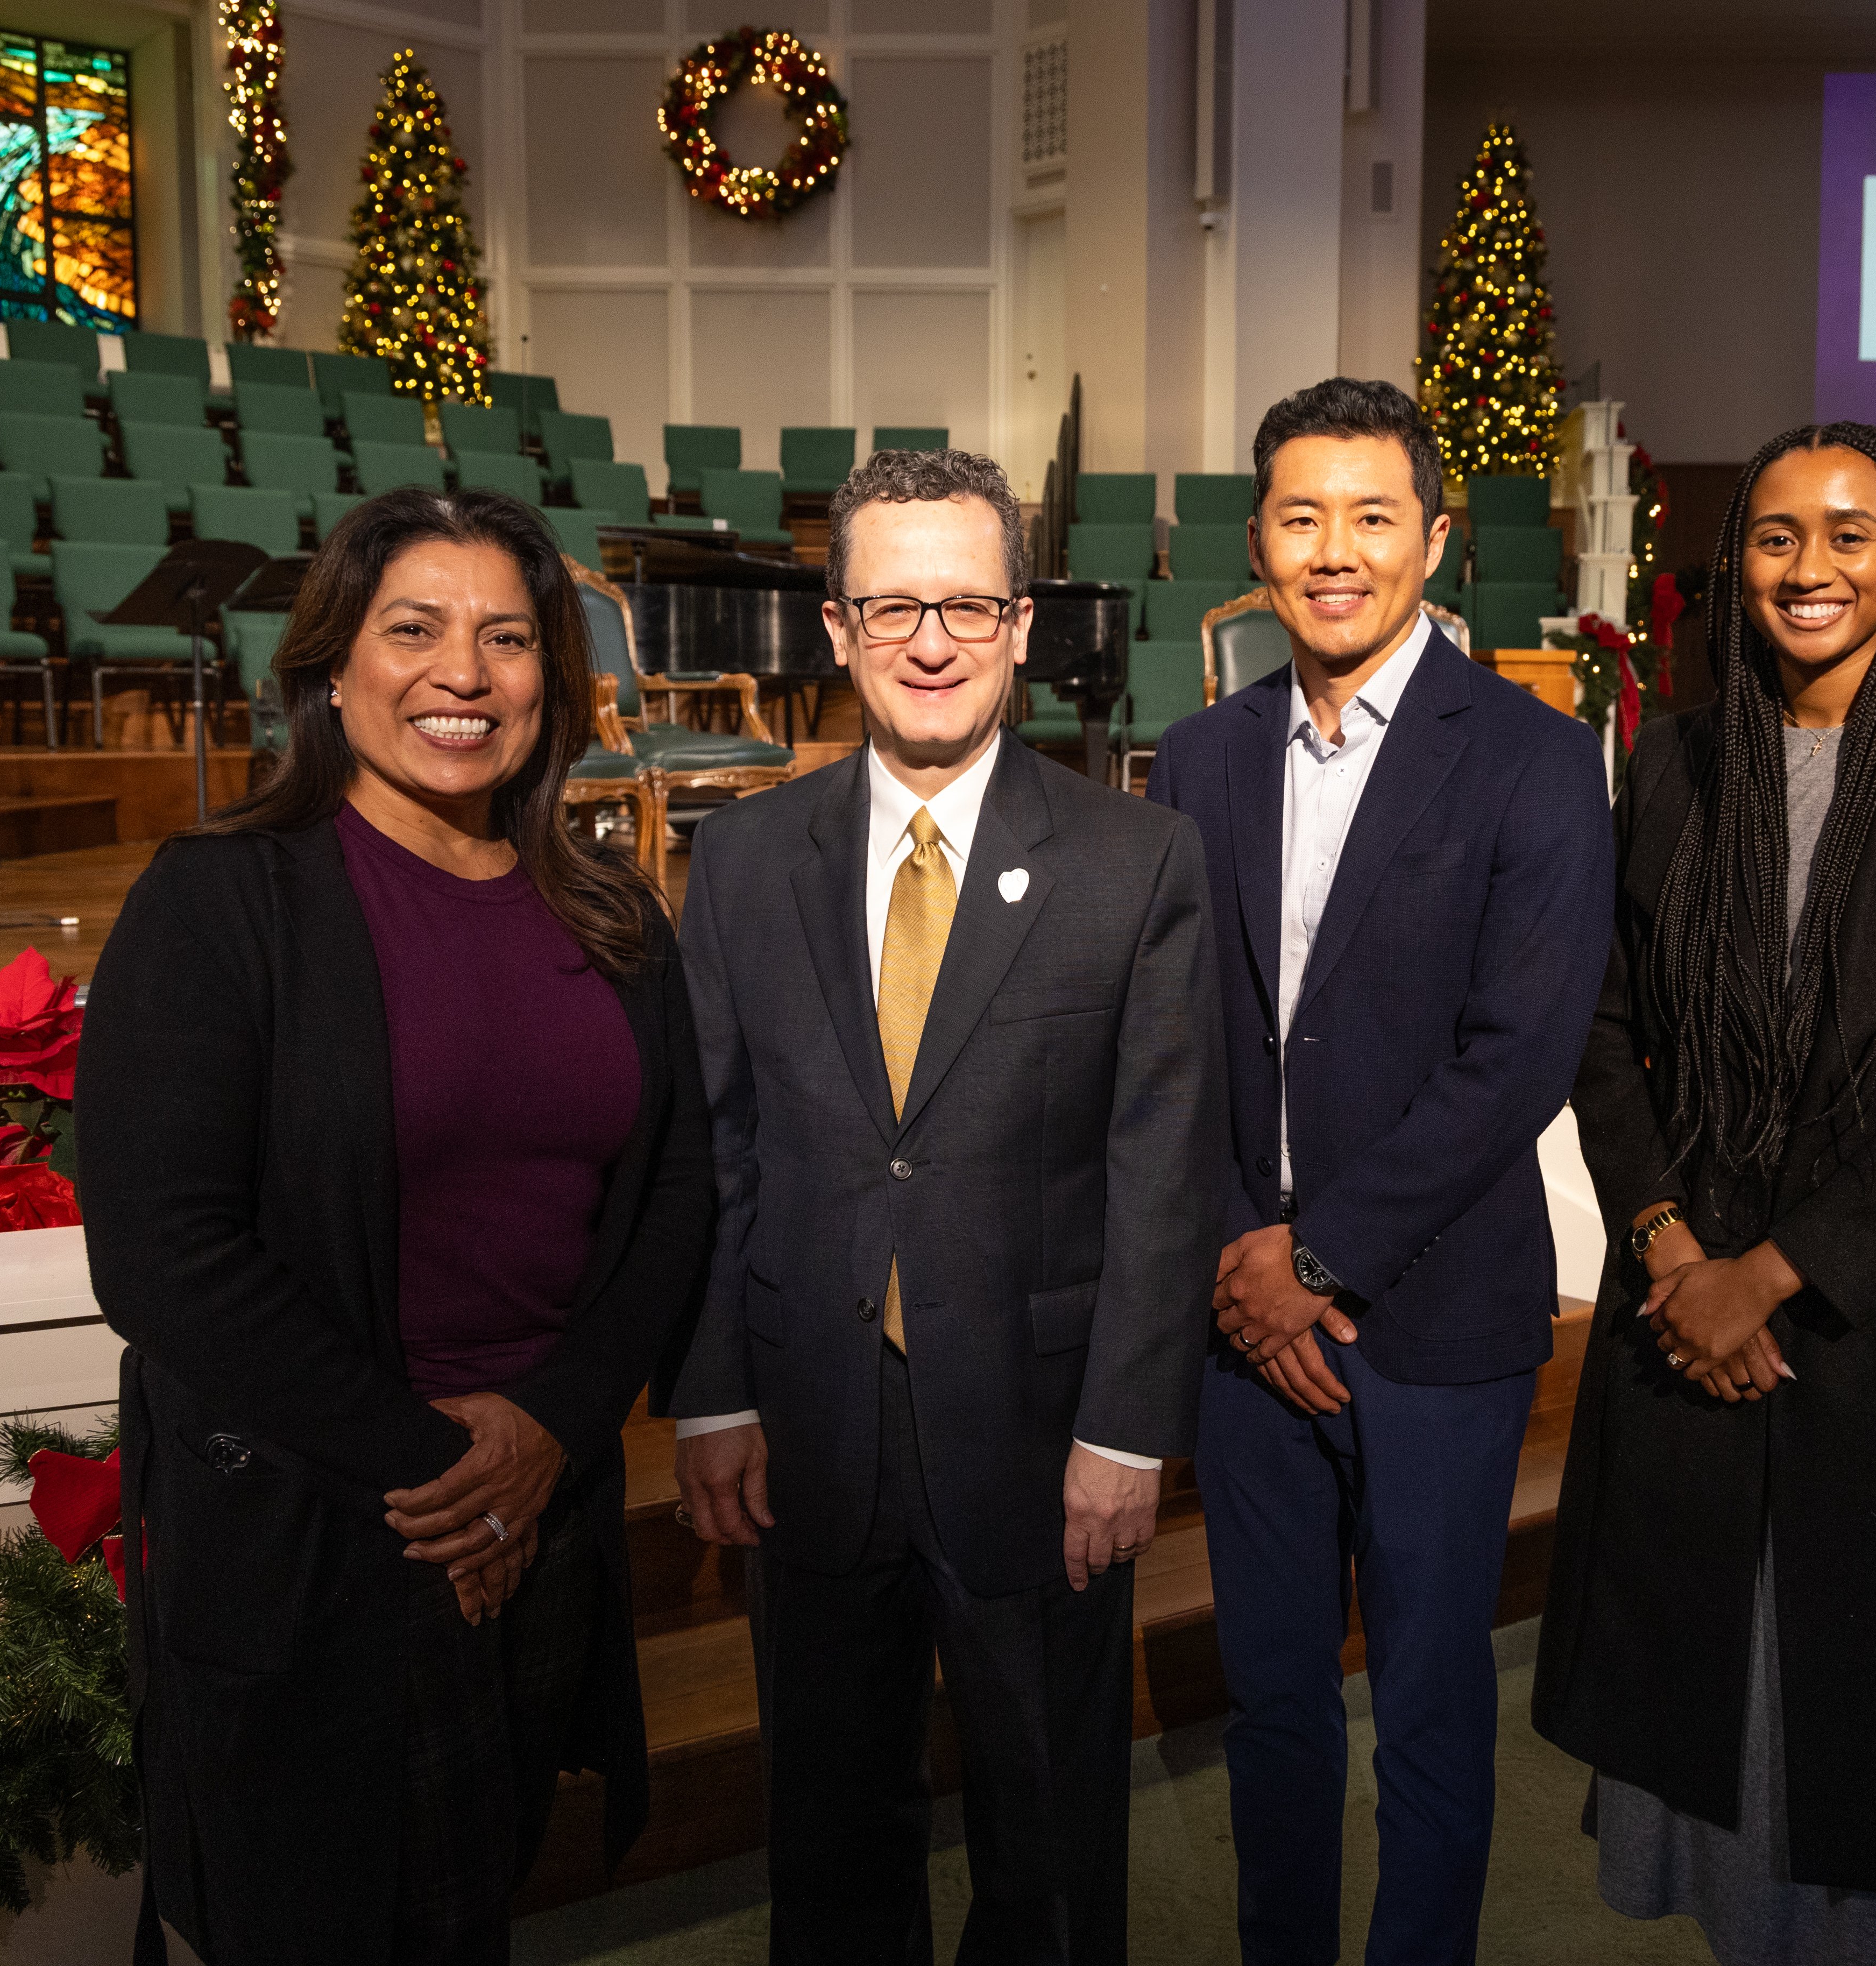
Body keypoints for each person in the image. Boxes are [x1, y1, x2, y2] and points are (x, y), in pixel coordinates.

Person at [77, 487, 715, 1965]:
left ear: (550, 679)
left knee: (469, 1911)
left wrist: (548, 1432)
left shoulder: (610, 914)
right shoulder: (224, 901)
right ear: (332, 666)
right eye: (413, 629)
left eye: (505, 638)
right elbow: (164, 1257)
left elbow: (674, 1191)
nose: (463, 674)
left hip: (533, 1516)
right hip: (326, 1518)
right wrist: (443, 1470)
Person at [661, 447, 1225, 1964]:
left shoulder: (1137, 859)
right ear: (836, 630)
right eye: (892, 606)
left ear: (1024, 623)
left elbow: (1162, 1171)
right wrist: (709, 1396)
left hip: (1044, 1440)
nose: (930, 642)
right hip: (810, 1423)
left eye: (966, 605)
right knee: (832, 1831)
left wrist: (1124, 1431)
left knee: (1048, 1842)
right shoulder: (742, 861)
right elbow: (713, 1146)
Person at [1531, 423, 1876, 1964]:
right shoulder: (1680, 761)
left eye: (1849, 534)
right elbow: (1606, 1024)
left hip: (1872, 1320)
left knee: (1857, 1733)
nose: (1808, 567)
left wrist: (1768, 1275)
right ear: (1734, 563)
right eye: (1775, 536)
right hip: (1679, 1286)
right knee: (1699, 1700)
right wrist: (1667, 1246)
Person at [1143, 378, 1617, 1964]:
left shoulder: (1534, 762)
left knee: (1424, 1713)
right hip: (1240, 1327)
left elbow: (1518, 1058)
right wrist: (1244, 1262)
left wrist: (1319, 1258)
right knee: (1272, 1710)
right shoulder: (1196, 756)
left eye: (1367, 516)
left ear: (1430, 542)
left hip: (1429, 1322)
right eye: (1297, 517)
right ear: (1257, 545)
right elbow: (1176, 1044)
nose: (1330, 551)